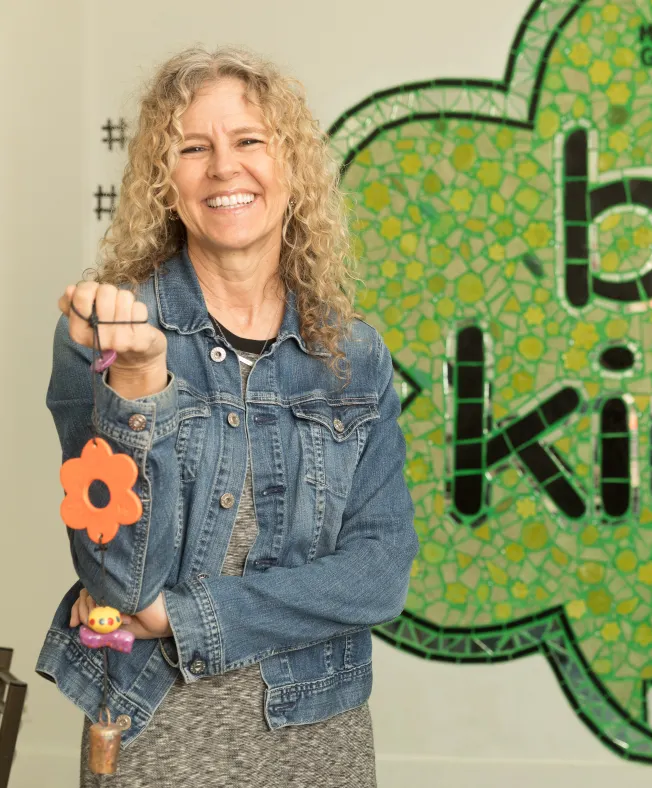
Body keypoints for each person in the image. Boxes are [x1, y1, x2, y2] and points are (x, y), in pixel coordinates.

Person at [35, 46, 419, 787]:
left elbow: (380, 573)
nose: (224, 168)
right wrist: (142, 381)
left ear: (290, 167)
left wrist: (185, 617)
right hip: (153, 743)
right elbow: (116, 576)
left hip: (321, 745)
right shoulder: (108, 333)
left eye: (249, 141)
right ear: (162, 179)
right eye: (193, 147)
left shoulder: (354, 355)